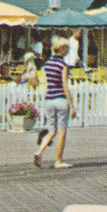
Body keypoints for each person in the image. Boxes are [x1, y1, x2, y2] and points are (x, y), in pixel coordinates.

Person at [33, 37, 77, 169]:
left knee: (52, 130)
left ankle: (39, 152)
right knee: (62, 130)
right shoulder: (63, 65)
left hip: (49, 99)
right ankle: (58, 160)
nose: (68, 51)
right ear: (62, 49)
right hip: (60, 99)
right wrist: (72, 105)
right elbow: (64, 85)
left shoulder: (47, 64)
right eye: (67, 48)